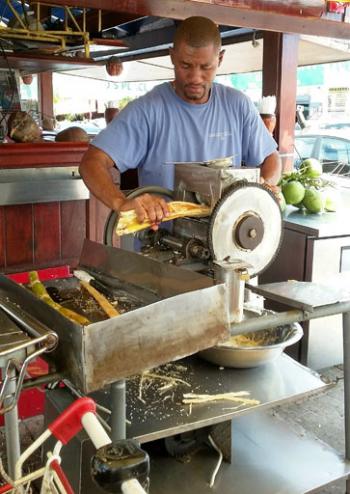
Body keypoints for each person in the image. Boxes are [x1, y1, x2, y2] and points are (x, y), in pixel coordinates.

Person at [79, 16, 281, 229]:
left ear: (220, 60)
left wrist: (263, 186)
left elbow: (272, 158)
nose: (195, 77)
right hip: (162, 245)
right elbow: (91, 163)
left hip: (227, 241)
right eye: (186, 65)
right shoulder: (147, 110)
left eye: (205, 67)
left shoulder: (238, 105)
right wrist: (121, 202)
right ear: (172, 57)